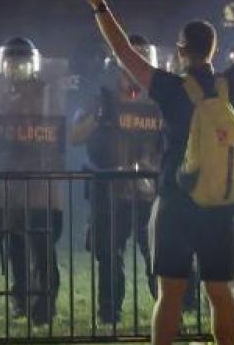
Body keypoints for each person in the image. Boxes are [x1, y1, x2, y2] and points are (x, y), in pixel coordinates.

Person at [78, 0, 234, 345]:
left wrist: (100, 6)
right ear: (214, 50)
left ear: (181, 51)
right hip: (220, 205)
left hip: (176, 201)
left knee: (169, 296)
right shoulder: (232, 85)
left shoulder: (169, 89)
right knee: (221, 295)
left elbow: (124, 53)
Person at [69, 36, 162, 325]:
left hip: (149, 191)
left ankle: (169, 311)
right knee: (109, 255)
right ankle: (109, 313)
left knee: (157, 256)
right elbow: (73, 136)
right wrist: (98, 118)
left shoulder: (159, 101)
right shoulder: (101, 99)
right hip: (108, 189)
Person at [0, 37, 65, 325]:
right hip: (10, 186)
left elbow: (56, 144)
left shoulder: (46, 97)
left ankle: (45, 303)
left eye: (22, 64)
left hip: (40, 188)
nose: (16, 70)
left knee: (42, 248)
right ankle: (20, 300)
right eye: (12, 64)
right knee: (14, 246)